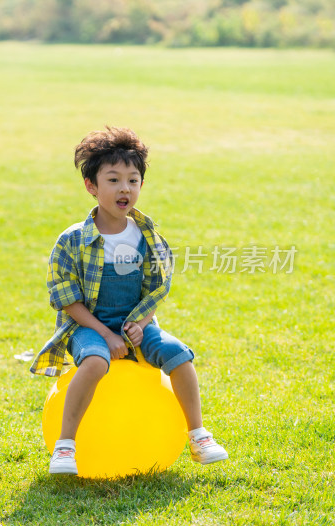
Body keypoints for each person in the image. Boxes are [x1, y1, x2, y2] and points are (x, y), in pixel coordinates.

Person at [30, 126, 227, 475]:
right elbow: (65, 298)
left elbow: (157, 288)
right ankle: (66, 445)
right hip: (87, 326)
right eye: (113, 179)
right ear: (91, 186)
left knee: (179, 355)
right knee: (93, 361)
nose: (125, 188)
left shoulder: (147, 236)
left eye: (133, 180)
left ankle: (198, 435)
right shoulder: (72, 240)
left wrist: (140, 324)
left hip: (135, 323)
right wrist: (106, 335)